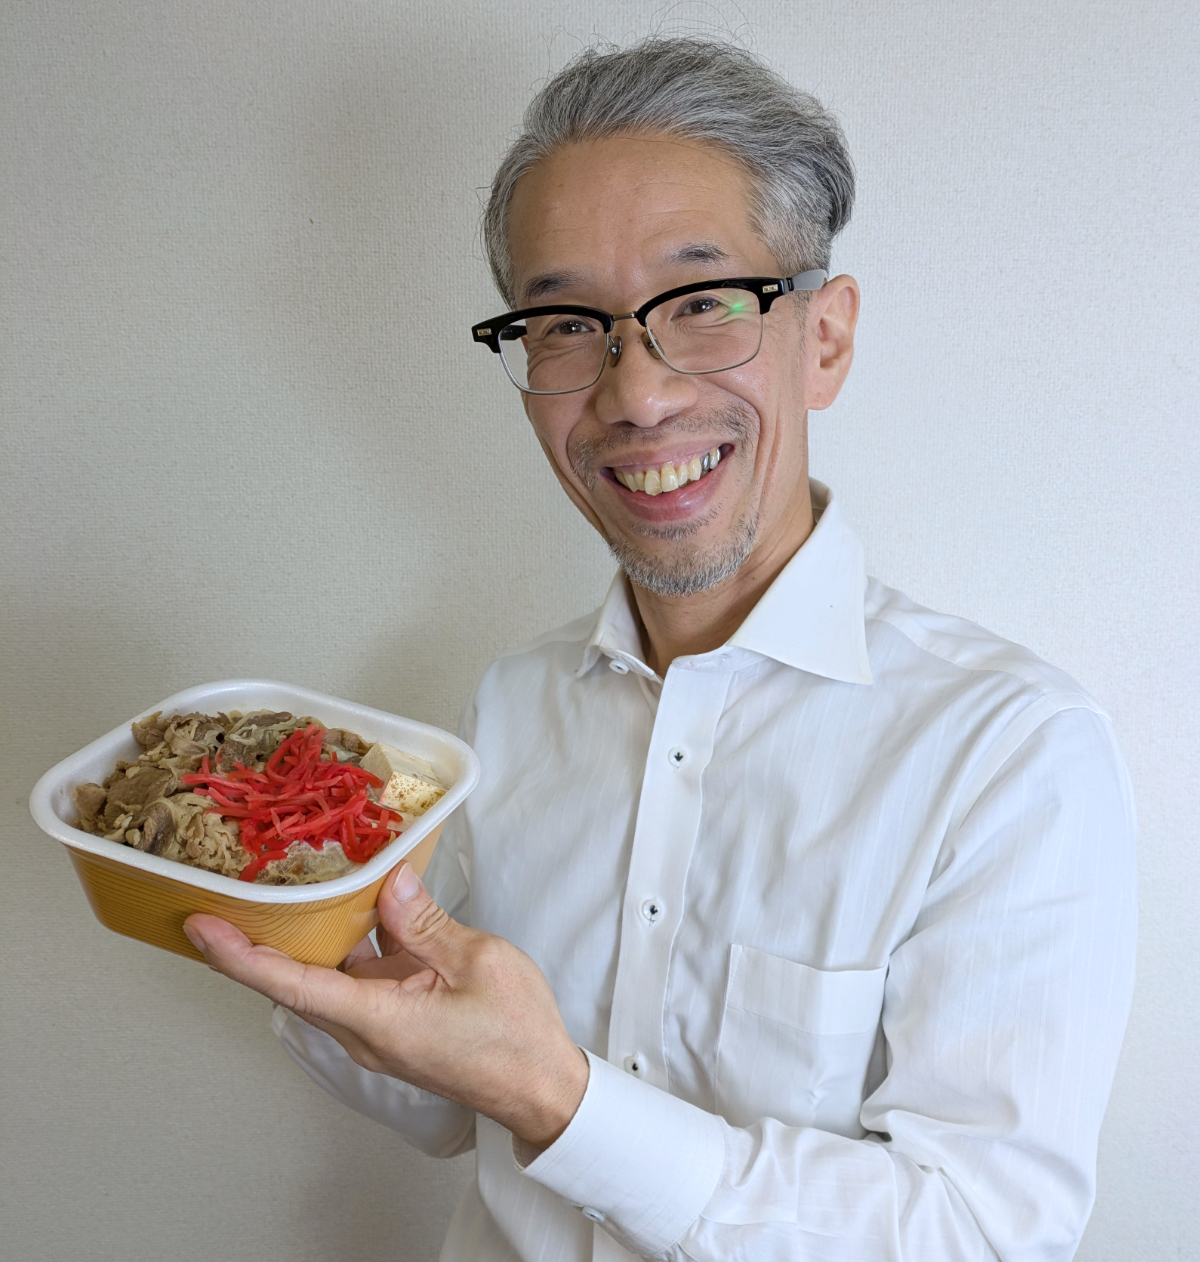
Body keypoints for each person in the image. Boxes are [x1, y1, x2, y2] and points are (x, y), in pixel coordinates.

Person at [183, 38, 1137, 1262]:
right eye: (565, 322)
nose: (635, 393)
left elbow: (983, 1231)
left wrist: (561, 1098)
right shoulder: (510, 702)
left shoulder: (1011, 750)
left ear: (825, 337)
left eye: (702, 303)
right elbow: (443, 1108)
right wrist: (294, 934)